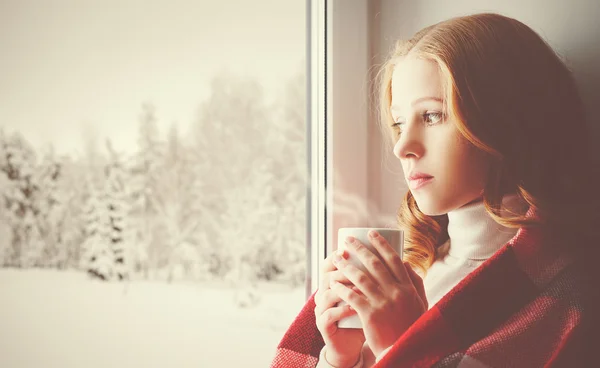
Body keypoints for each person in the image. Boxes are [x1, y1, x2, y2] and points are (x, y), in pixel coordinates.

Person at [271, 12, 600, 368]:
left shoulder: (573, 299)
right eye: (399, 123)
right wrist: (340, 358)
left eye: (431, 116)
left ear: (506, 120)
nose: (402, 146)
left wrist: (403, 346)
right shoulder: (412, 271)